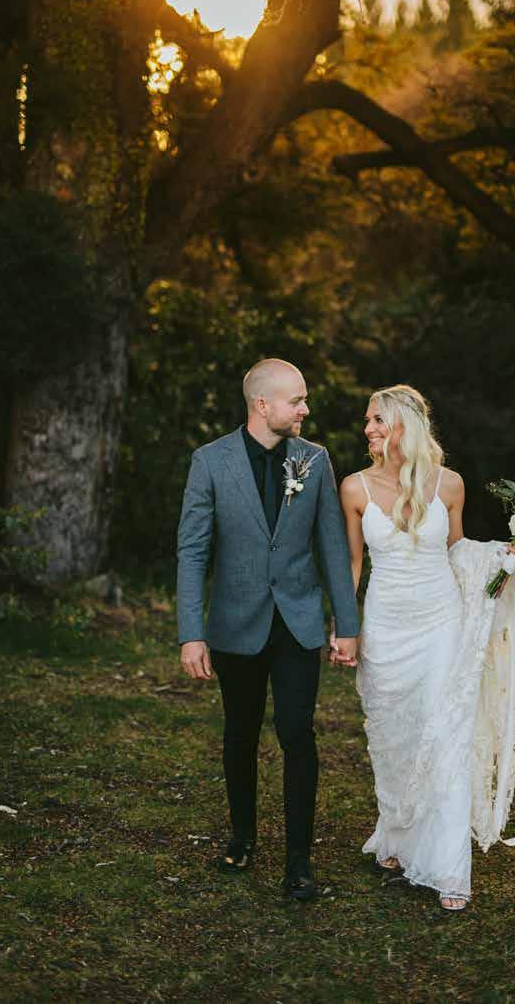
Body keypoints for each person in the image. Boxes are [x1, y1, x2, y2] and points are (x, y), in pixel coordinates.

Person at [336, 384, 515, 912]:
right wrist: (344, 626)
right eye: (367, 420)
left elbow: (457, 551)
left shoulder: (450, 484)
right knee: (394, 737)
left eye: (377, 419)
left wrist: (503, 557)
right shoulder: (354, 487)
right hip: (386, 626)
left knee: (443, 734)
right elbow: (352, 564)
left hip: (440, 623)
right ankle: (396, 833)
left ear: (404, 423)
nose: (368, 428)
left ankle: (448, 867)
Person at [176, 358, 359, 902]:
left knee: (298, 733)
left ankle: (299, 862)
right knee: (240, 731)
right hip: (235, 622)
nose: (305, 409)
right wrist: (191, 632)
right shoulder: (210, 462)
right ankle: (242, 838)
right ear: (262, 404)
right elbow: (193, 552)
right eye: (296, 400)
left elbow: (333, 546)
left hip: (298, 622)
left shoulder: (314, 459)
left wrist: (346, 624)